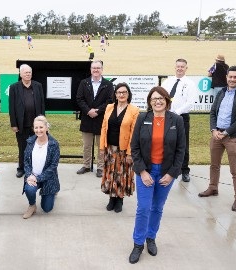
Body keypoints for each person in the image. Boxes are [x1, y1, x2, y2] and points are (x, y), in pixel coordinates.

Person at [128, 86, 185, 264]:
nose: (158, 101)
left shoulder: (176, 120)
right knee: (144, 208)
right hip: (146, 170)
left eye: (161, 98)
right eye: (154, 99)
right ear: (149, 102)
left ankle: (150, 238)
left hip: (166, 173)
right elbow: (135, 147)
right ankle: (138, 243)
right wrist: (142, 171)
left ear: (167, 101)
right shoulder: (142, 118)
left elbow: (181, 150)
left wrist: (172, 174)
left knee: (157, 208)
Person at [198, 66, 236, 212]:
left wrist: (226, 132)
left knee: (235, 170)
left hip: (233, 137)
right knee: (214, 165)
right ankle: (213, 188)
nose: (232, 79)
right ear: (226, 77)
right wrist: (214, 129)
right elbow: (213, 113)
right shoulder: (221, 92)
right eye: (230, 77)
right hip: (217, 135)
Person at [99, 83, 139, 213]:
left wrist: (129, 153)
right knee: (110, 174)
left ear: (128, 94)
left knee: (121, 174)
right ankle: (111, 198)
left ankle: (120, 199)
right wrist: (102, 147)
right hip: (110, 148)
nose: (121, 94)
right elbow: (104, 127)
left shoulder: (134, 110)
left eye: (124, 92)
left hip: (123, 149)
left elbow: (134, 133)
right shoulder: (109, 107)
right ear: (115, 94)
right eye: (119, 92)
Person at [161, 58, 197, 182]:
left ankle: (185, 170)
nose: (180, 68)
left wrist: (175, 113)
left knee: (183, 144)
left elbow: (190, 103)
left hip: (181, 117)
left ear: (186, 68)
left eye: (182, 67)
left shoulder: (190, 83)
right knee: (165, 142)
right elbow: (161, 97)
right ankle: (166, 168)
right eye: (178, 66)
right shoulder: (167, 81)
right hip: (166, 116)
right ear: (175, 67)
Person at [76, 60, 113, 177]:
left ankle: (100, 168)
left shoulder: (108, 84)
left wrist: (98, 111)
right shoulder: (84, 83)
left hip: (101, 119)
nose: (96, 70)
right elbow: (79, 99)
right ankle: (86, 165)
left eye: (98, 68)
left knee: (101, 146)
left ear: (102, 69)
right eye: (94, 68)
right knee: (87, 145)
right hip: (87, 119)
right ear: (90, 69)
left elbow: (110, 101)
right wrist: (88, 110)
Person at [9, 64, 45, 178]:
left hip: (37, 125)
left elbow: (42, 104)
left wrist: (42, 121)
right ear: (20, 74)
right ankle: (21, 168)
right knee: (22, 147)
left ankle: (35, 168)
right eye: (25, 72)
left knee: (37, 147)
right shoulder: (14, 87)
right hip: (21, 124)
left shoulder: (38, 86)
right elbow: (12, 107)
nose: (28, 74)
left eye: (29, 72)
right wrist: (14, 124)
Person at [21, 116, 60, 219]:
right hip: (32, 177)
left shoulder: (54, 144)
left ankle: (52, 192)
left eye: (41, 127)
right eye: (36, 128)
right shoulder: (30, 142)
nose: (38, 130)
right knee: (29, 189)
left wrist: (37, 178)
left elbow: (53, 166)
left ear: (46, 127)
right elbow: (26, 161)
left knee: (47, 208)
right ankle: (32, 205)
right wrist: (30, 175)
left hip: (48, 179)